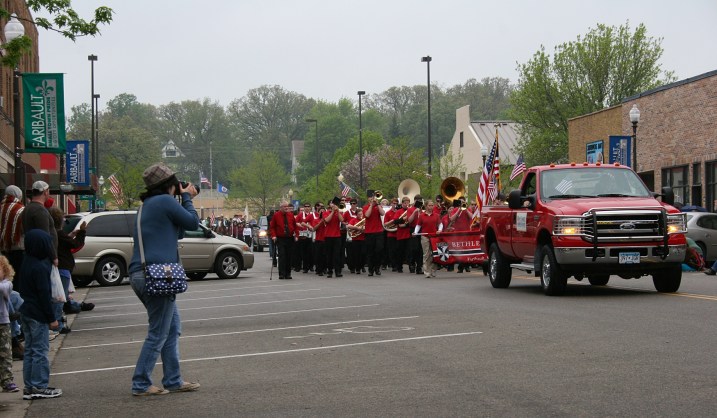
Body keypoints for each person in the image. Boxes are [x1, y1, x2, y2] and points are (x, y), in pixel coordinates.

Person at [128, 163, 200, 396]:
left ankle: (173, 379)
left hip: (142, 273)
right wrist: (187, 197)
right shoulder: (166, 201)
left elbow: (177, 231)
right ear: (170, 185)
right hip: (157, 275)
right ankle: (140, 383)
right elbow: (192, 223)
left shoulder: (148, 205)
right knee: (159, 332)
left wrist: (180, 200)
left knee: (171, 328)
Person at [19, 229, 62, 400]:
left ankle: (30, 386)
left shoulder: (26, 262)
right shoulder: (40, 267)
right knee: (40, 351)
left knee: (30, 350)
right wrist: (51, 318)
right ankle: (40, 385)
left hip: (26, 311)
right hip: (38, 313)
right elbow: (44, 294)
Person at [22, 181, 58, 266]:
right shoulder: (39, 210)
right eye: (48, 191)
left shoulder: (27, 208)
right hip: (42, 258)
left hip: (32, 254)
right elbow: (45, 236)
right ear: (45, 192)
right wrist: (54, 257)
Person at [0, 255, 19, 393]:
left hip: (3, 323)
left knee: (5, 353)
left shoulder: (7, 284)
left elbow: (3, 289)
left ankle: (7, 380)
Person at [0, 185, 25, 290]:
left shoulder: (1, 208)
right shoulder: (21, 209)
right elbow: (24, 230)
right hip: (18, 250)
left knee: (5, 279)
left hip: (2, 251)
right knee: (18, 280)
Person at [269, 201, 298, 280]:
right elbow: (272, 227)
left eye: (287, 207)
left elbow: (295, 226)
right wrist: (274, 236)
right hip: (281, 238)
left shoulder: (291, 215)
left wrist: (296, 235)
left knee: (289, 256)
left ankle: (288, 273)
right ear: (281, 207)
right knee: (282, 256)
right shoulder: (276, 215)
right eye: (284, 207)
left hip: (289, 238)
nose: (286, 208)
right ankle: (281, 273)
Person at [415, 200, 443, 278]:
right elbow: (418, 225)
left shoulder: (436, 215)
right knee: (426, 254)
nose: (431, 207)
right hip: (425, 236)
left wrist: (439, 230)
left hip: (434, 236)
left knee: (434, 254)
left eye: (432, 205)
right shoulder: (422, 215)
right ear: (426, 206)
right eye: (429, 205)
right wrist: (415, 232)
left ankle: (433, 270)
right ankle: (427, 271)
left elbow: (440, 224)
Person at [363, 192, 386, 276]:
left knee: (379, 250)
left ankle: (377, 267)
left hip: (379, 231)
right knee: (370, 252)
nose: (372, 199)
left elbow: (383, 213)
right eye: (370, 198)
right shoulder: (365, 207)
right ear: (368, 199)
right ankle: (370, 269)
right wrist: (371, 206)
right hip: (369, 232)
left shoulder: (378, 206)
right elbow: (367, 215)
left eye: (373, 197)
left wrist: (378, 204)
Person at [322, 198, 344, 278]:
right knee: (329, 255)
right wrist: (332, 212)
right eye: (332, 203)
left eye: (334, 204)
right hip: (328, 236)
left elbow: (342, 220)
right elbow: (327, 220)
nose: (333, 205)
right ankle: (330, 271)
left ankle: (338, 271)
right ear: (329, 205)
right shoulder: (325, 212)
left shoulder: (338, 212)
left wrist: (337, 211)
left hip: (337, 236)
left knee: (337, 255)